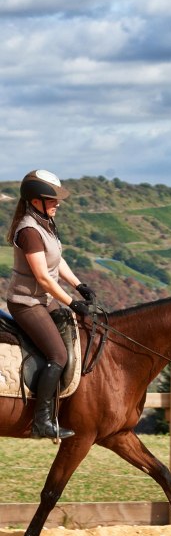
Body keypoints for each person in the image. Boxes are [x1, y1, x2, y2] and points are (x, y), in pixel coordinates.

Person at [6, 170, 96, 440]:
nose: (57, 203)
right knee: (58, 355)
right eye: (52, 199)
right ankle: (41, 422)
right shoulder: (29, 231)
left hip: (45, 301)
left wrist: (79, 285)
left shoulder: (45, 223)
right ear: (36, 200)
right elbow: (43, 277)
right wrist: (72, 302)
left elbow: (57, 260)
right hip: (26, 304)